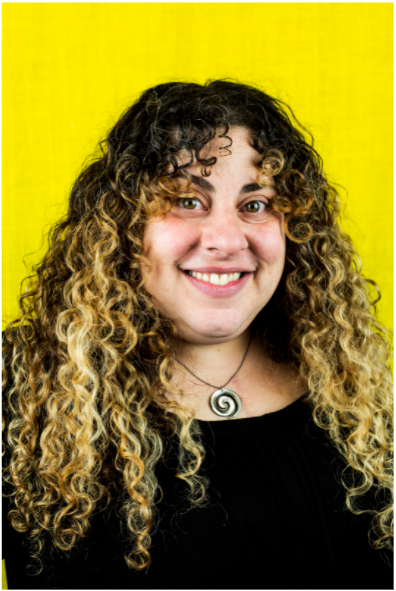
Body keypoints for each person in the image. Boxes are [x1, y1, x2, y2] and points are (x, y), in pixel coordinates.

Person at [2, 80, 393, 590]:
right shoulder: (25, 395)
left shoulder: (360, 392)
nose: (228, 240)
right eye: (187, 200)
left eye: (256, 205)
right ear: (123, 224)